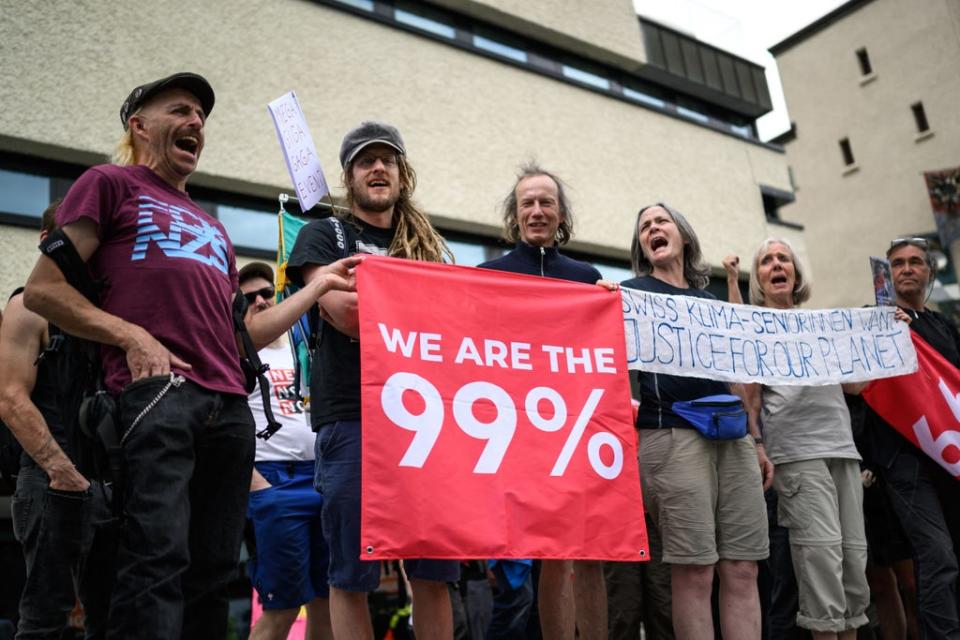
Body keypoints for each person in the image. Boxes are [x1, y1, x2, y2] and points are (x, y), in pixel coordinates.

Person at [22, 72, 358, 639]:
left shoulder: (213, 227)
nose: (196, 123)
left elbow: (240, 338)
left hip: (229, 409)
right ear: (140, 125)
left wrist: (318, 288)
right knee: (156, 557)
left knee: (214, 569)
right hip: (158, 400)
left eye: (202, 117)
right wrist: (131, 336)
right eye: (180, 110)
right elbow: (44, 291)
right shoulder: (109, 184)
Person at [286, 121, 458, 640]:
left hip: (428, 419)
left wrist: (380, 296)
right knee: (351, 574)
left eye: (387, 160)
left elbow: (458, 324)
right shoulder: (324, 235)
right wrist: (419, 308)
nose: (377, 168)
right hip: (352, 416)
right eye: (366, 161)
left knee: (434, 571)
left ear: (403, 174)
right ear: (349, 176)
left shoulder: (429, 247)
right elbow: (344, 314)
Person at [621, 203, 768, 639]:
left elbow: (737, 377)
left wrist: (757, 440)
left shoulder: (712, 303)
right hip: (672, 436)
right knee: (695, 570)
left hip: (734, 438)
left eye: (661, 222)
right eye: (645, 227)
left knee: (742, 567)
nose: (653, 229)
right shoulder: (629, 294)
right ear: (643, 247)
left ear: (683, 236)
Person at [478, 164, 607, 640]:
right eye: (527, 203)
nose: (536, 211)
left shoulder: (588, 279)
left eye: (546, 202)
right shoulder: (487, 276)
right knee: (519, 569)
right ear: (514, 214)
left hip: (575, 435)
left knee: (579, 555)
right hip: (511, 439)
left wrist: (607, 305)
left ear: (560, 213)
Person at [743, 238, 869, 640]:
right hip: (798, 456)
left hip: (842, 451)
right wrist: (759, 447)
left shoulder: (822, 325)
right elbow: (750, 400)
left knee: (853, 561)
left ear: (795, 273)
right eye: (767, 261)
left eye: (783, 258)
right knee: (820, 562)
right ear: (759, 278)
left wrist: (888, 339)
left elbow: (855, 386)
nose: (776, 264)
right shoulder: (752, 331)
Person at [0, 201, 116, 639]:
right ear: (45, 241)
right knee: (46, 621)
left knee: (112, 619)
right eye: (63, 237)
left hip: (108, 485)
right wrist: (61, 470)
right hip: (53, 484)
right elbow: (10, 397)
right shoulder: (27, 305)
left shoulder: (105, 308)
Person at [869, 236, 960, 639]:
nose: (906, 269)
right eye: (897, 263)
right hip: (906, 461)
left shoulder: (944, 326)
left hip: (950, 458)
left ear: (928, 272)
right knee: (937, 555)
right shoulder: (874, 324)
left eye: (915, 262)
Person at [240, 262, 333, 640]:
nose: (262, 301)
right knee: (282, 606)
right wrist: (258, 487)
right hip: (274, 482)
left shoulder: (303, 348)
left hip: (323, 478)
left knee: (329, 602)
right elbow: (221, 425)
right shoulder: (236, 354)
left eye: (268, 293)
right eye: (249, 298)